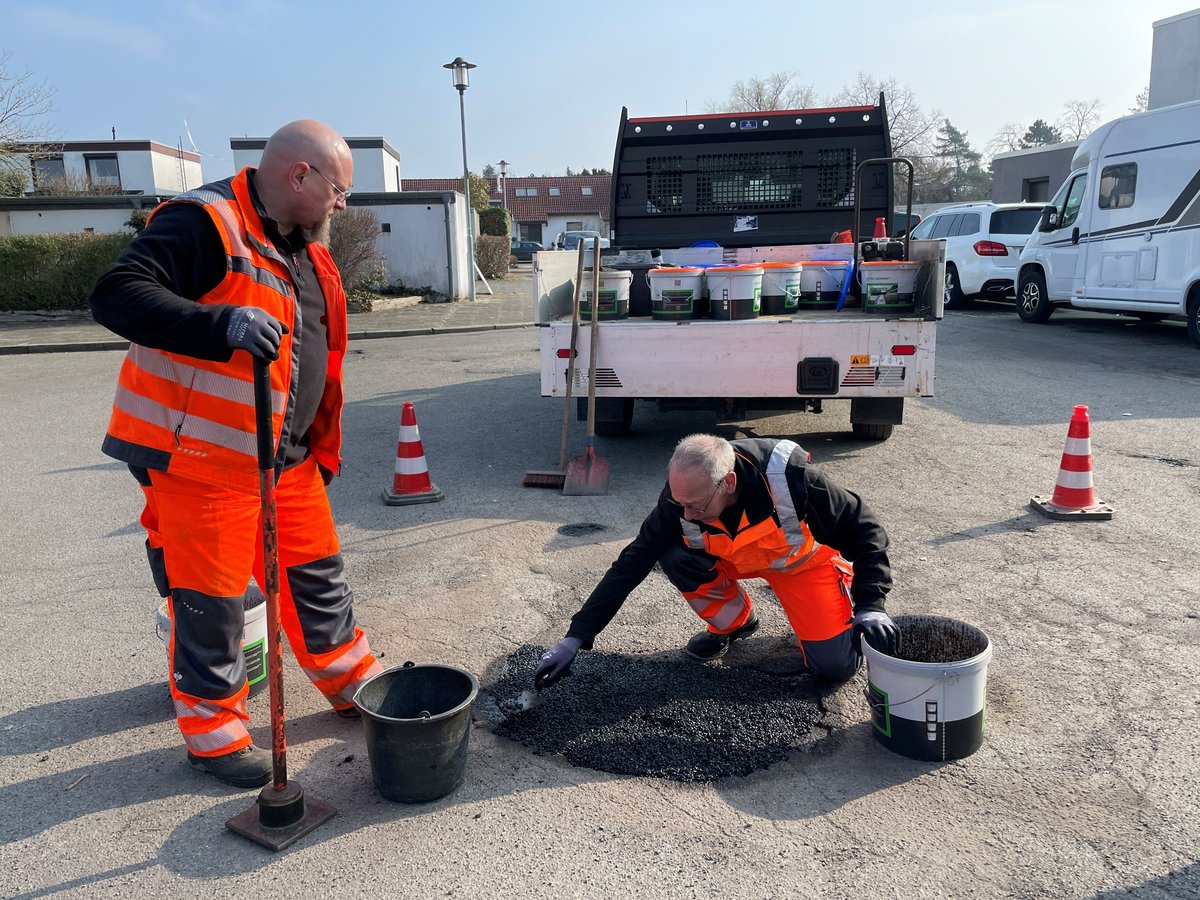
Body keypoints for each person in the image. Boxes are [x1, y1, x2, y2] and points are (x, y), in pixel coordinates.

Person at [89, 119, 384, 788]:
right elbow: (116, 294)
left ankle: (351, 684)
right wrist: (216, 323)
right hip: (204, 461)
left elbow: (320, 356)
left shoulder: (309, 249)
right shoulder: (205, 223)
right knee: (212, 604)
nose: (343, 206)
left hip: (288, 460)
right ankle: (213, 734)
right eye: (339, 191)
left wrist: (318, 444)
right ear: (299, 175)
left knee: (317, 582)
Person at [534, 434, 899, 689]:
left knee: (835, 668)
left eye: (695, 505)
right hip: (737, 560)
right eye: (680, 503)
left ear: (728, 482)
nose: (686, 513)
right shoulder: (680, 501)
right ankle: (736, 623)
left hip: (800, 566)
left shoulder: (791, 478)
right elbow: (630, 564)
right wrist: (577, 636)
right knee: (674, 555)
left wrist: (871, 604)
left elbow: (866, 531)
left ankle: (836, 618)